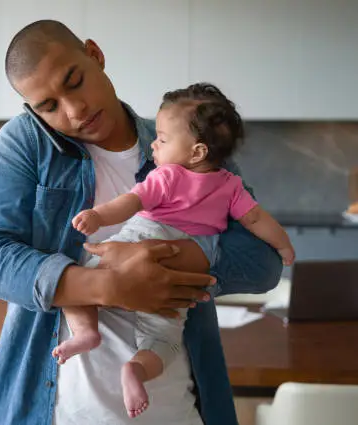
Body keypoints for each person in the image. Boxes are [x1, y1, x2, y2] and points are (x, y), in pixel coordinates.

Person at [0, 19, 283, 425]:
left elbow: (263, 263)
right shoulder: (24, 143)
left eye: (75, 81)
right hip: (58, 413)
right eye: (49, 106)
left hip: (177, 408)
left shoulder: (183, 142)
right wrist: (111, 286)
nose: (74, 110)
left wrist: (168, 264)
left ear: (95, 55)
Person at [53, 82, 295, 418]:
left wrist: (97, 216)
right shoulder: (231, 185)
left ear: (196, 152)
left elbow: (129, 202)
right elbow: (257, 220)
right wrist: (283, 245)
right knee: (164, 339)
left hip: (138, 241)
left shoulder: (166, 177)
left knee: (74, 287)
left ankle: (86, 333)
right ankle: (136, 370)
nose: (153, 142)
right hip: (184, 272)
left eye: (163, 139)